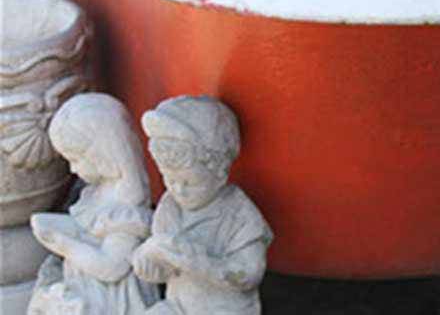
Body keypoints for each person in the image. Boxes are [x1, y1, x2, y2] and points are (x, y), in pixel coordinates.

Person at [132, 95, 272, 315]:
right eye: (170, 179)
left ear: (220, 173)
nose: (179, 190)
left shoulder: (238, 213)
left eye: (191, 182)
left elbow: (250, 273)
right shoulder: (171, 206)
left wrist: (200, 264)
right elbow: (160, 270)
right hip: (177, 306)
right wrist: (148, 258)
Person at [28, 93, 160, 314]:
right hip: (85, 290)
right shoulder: (94, 194)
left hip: (111, 301)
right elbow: (89, 231)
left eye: (77, 159)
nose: (72, 169)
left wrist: (63, 243)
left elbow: (112, 268)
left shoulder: (127, 206)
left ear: (105, 152)